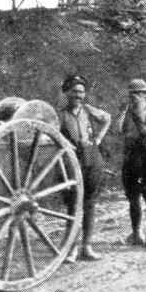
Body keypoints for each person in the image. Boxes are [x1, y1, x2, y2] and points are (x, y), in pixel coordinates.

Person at [59, 74, 111, 262]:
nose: (78, 95)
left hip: (92, 159)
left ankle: (87, 247)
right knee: (74, 204)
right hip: (73, 161)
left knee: (90, 203)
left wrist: (98, 138)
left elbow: (107, 118)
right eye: (74, 92)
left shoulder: (88, 110)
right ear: (66, 93)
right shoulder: (61, 115)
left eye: (81, 92)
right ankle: (72, 248)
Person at [114, 79, 146, 248]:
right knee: (133, 198)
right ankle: (137, 233)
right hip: (130, 157)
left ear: (145, 95)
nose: (134, 96)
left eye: (138, 93)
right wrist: (122, 113)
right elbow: (117, 131)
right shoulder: (126, 112)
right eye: (131, 93)